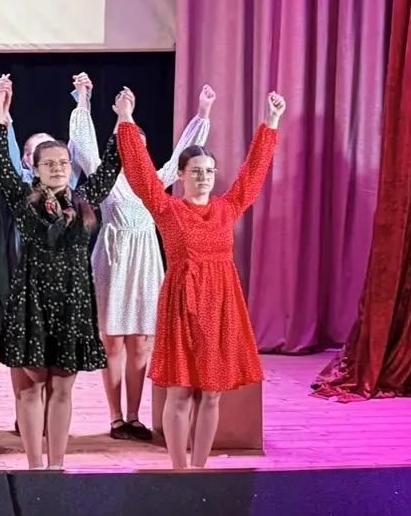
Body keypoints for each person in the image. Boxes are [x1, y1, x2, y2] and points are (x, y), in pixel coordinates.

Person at [116, 87, 285, 469]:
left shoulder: (227, 208)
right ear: (180, 175)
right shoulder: (168, 209)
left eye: (209, 172)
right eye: (195, 172)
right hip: (182, 306)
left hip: (221, 306)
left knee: (211, 393)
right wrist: (126, 120)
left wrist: (271, 123)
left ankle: (200, 470)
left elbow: (252, 177)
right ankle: (179, 470)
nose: (204, 178)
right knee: (180, 392)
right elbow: (141, 174)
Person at [0, 77, 125, 470]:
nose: (58, 169)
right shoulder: (22, 199)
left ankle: (56, 467)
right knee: (29, 391)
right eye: (50, 164)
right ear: (35, 168)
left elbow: (113, 164)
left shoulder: (84, 200)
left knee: (62, 391)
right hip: (31, 303)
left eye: (63, 163)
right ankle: (34, 468)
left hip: (72, 304)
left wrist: (123, 119)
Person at [65, 74, 212, 440]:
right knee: (113, 341)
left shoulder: (155, 181)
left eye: (139, 147)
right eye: (128, 145)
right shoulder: (106, 178)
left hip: (145, 262)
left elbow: (183, 155)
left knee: (141, 343)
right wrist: (83, 100)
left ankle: (134, 415)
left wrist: (203, 114)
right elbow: (84, 146)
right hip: (113, 260)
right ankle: (116, 418)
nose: (134, 152)